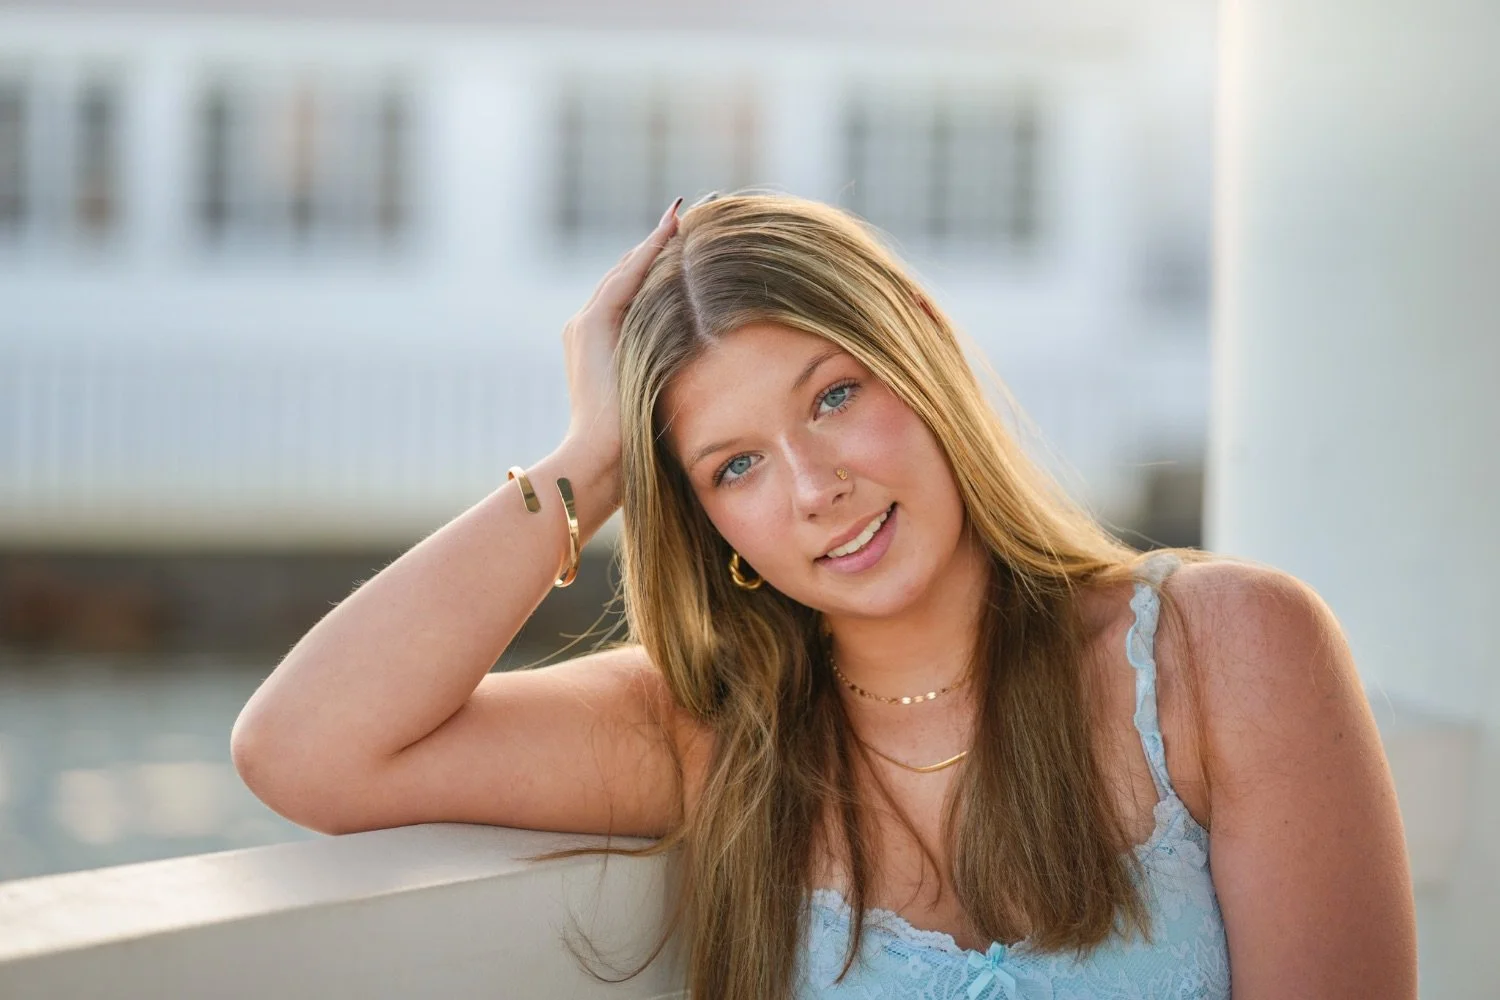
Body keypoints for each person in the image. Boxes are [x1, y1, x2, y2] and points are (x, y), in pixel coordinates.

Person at [230, 191, 1418, 999]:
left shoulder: (1223, 651)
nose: (812, 487)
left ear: (926, 351)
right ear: (704, 517)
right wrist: (591, 461)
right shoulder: (711, 729)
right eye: (732, 464)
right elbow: (308, 749)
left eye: (835, 395)